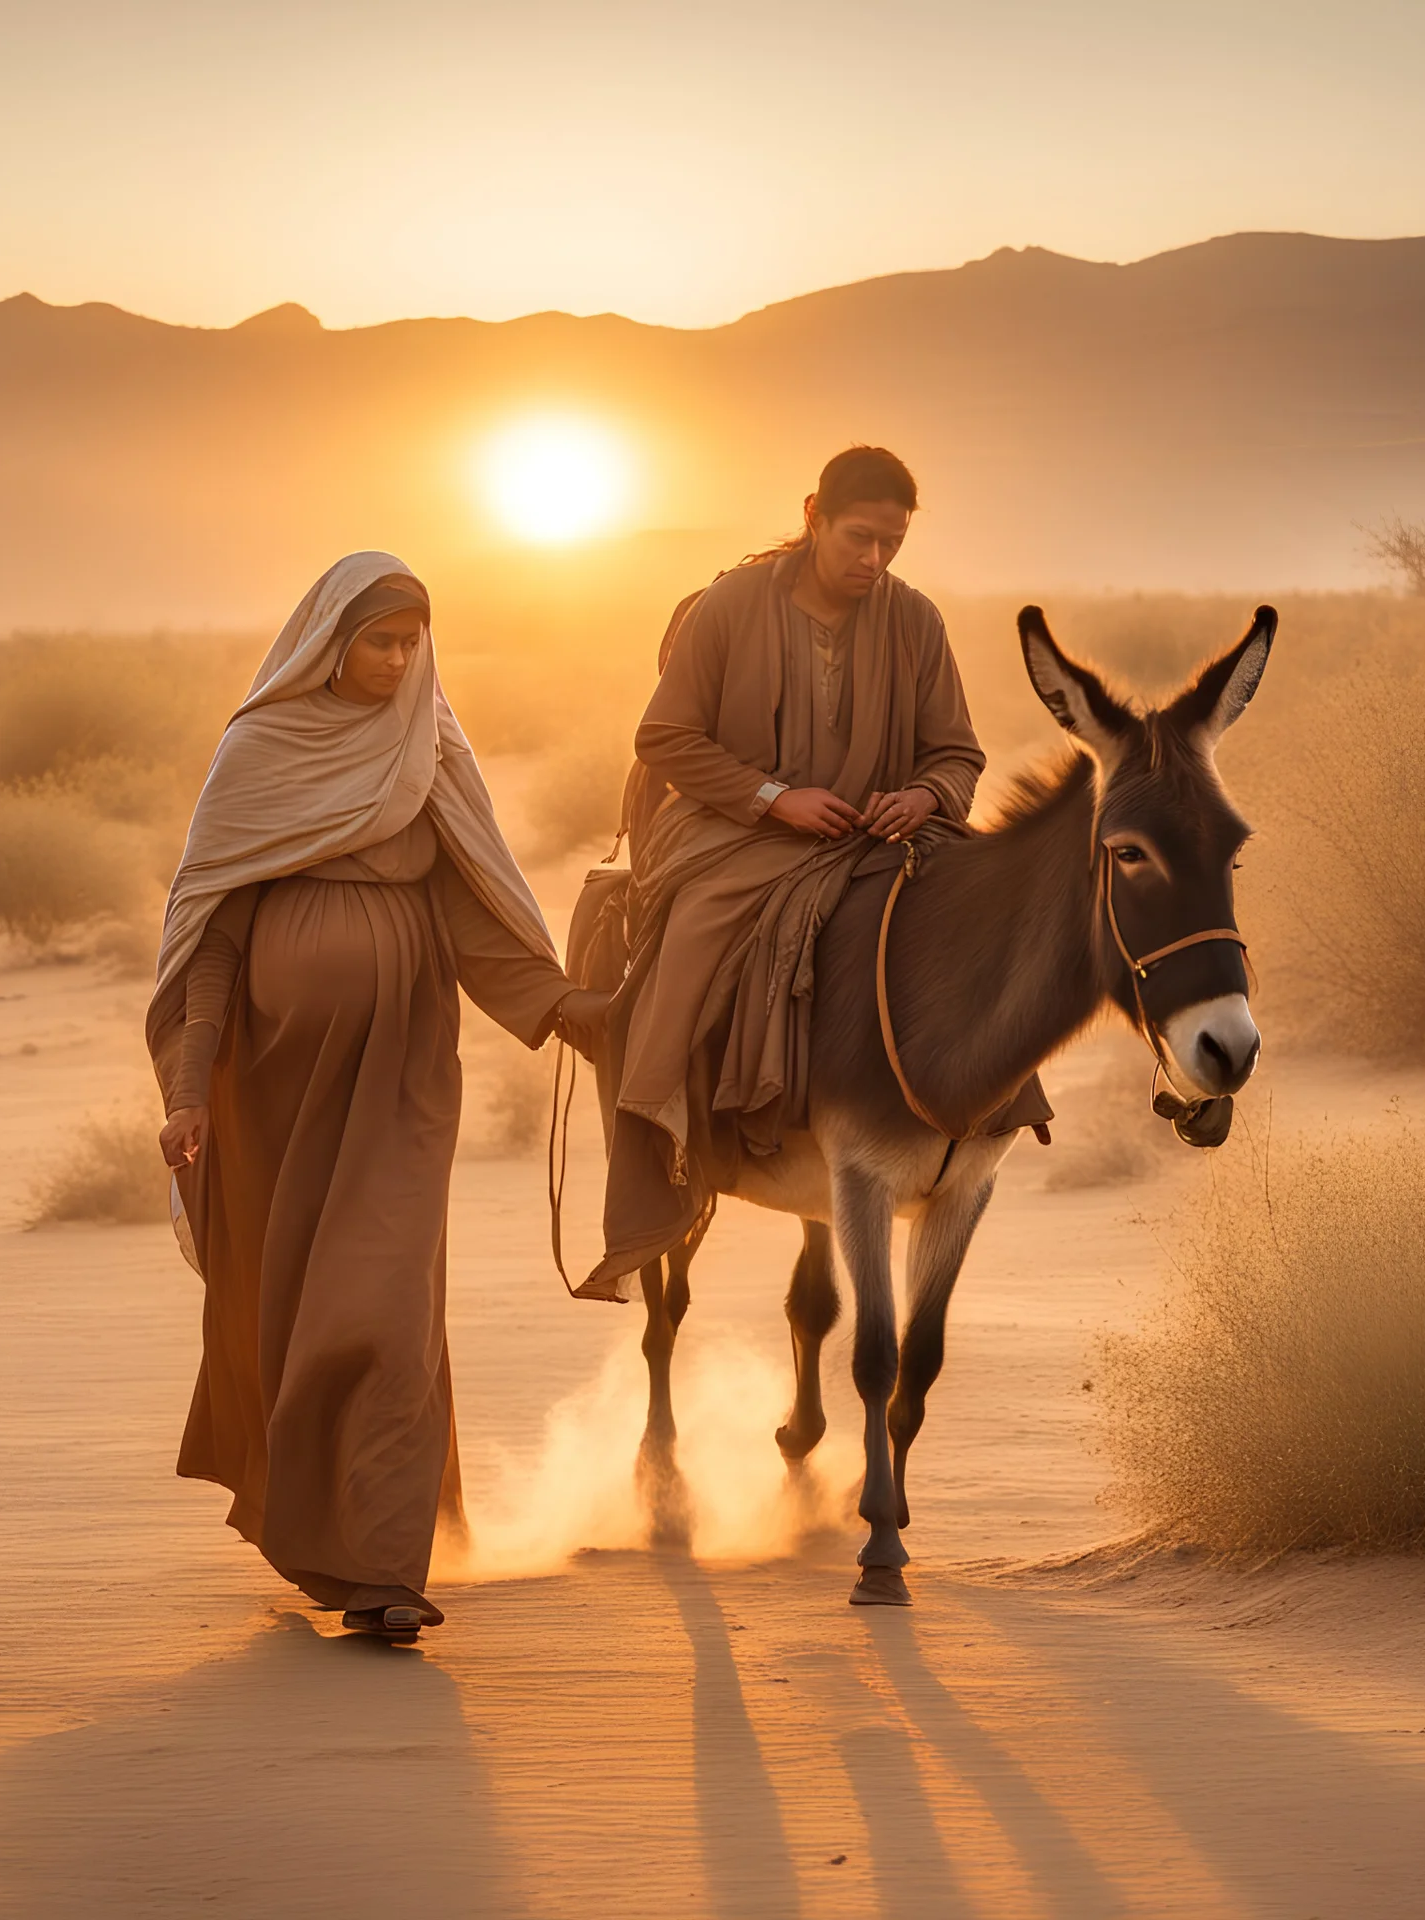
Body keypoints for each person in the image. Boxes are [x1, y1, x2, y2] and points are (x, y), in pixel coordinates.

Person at [147, 552, 607, 1641]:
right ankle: (326, 1545)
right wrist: (186, 1087)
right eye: (379, 642)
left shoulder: (428, 747)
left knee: (385, 1307)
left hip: (402, 1071)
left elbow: (475, 914)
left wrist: (567, 1011)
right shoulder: (257, 750)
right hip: (271, 1090)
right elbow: (208, 938)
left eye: (412, 643)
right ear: (328, 641)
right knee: (293, 1310)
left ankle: (387, 1572)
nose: (398, 662)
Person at [586, 445, 1039, 1298]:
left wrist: (923, 795)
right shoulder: (731, 605)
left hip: (880, 829)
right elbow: (667, 739)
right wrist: (773, 799)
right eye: (859, 539)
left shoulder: (917, 621)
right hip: (733, 831)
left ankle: (989, 1110)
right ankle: (669, 1131)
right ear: (813, 516)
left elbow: (958, 752)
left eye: (892, 545)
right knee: (691, 940)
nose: (875, 561)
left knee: (981, 919)